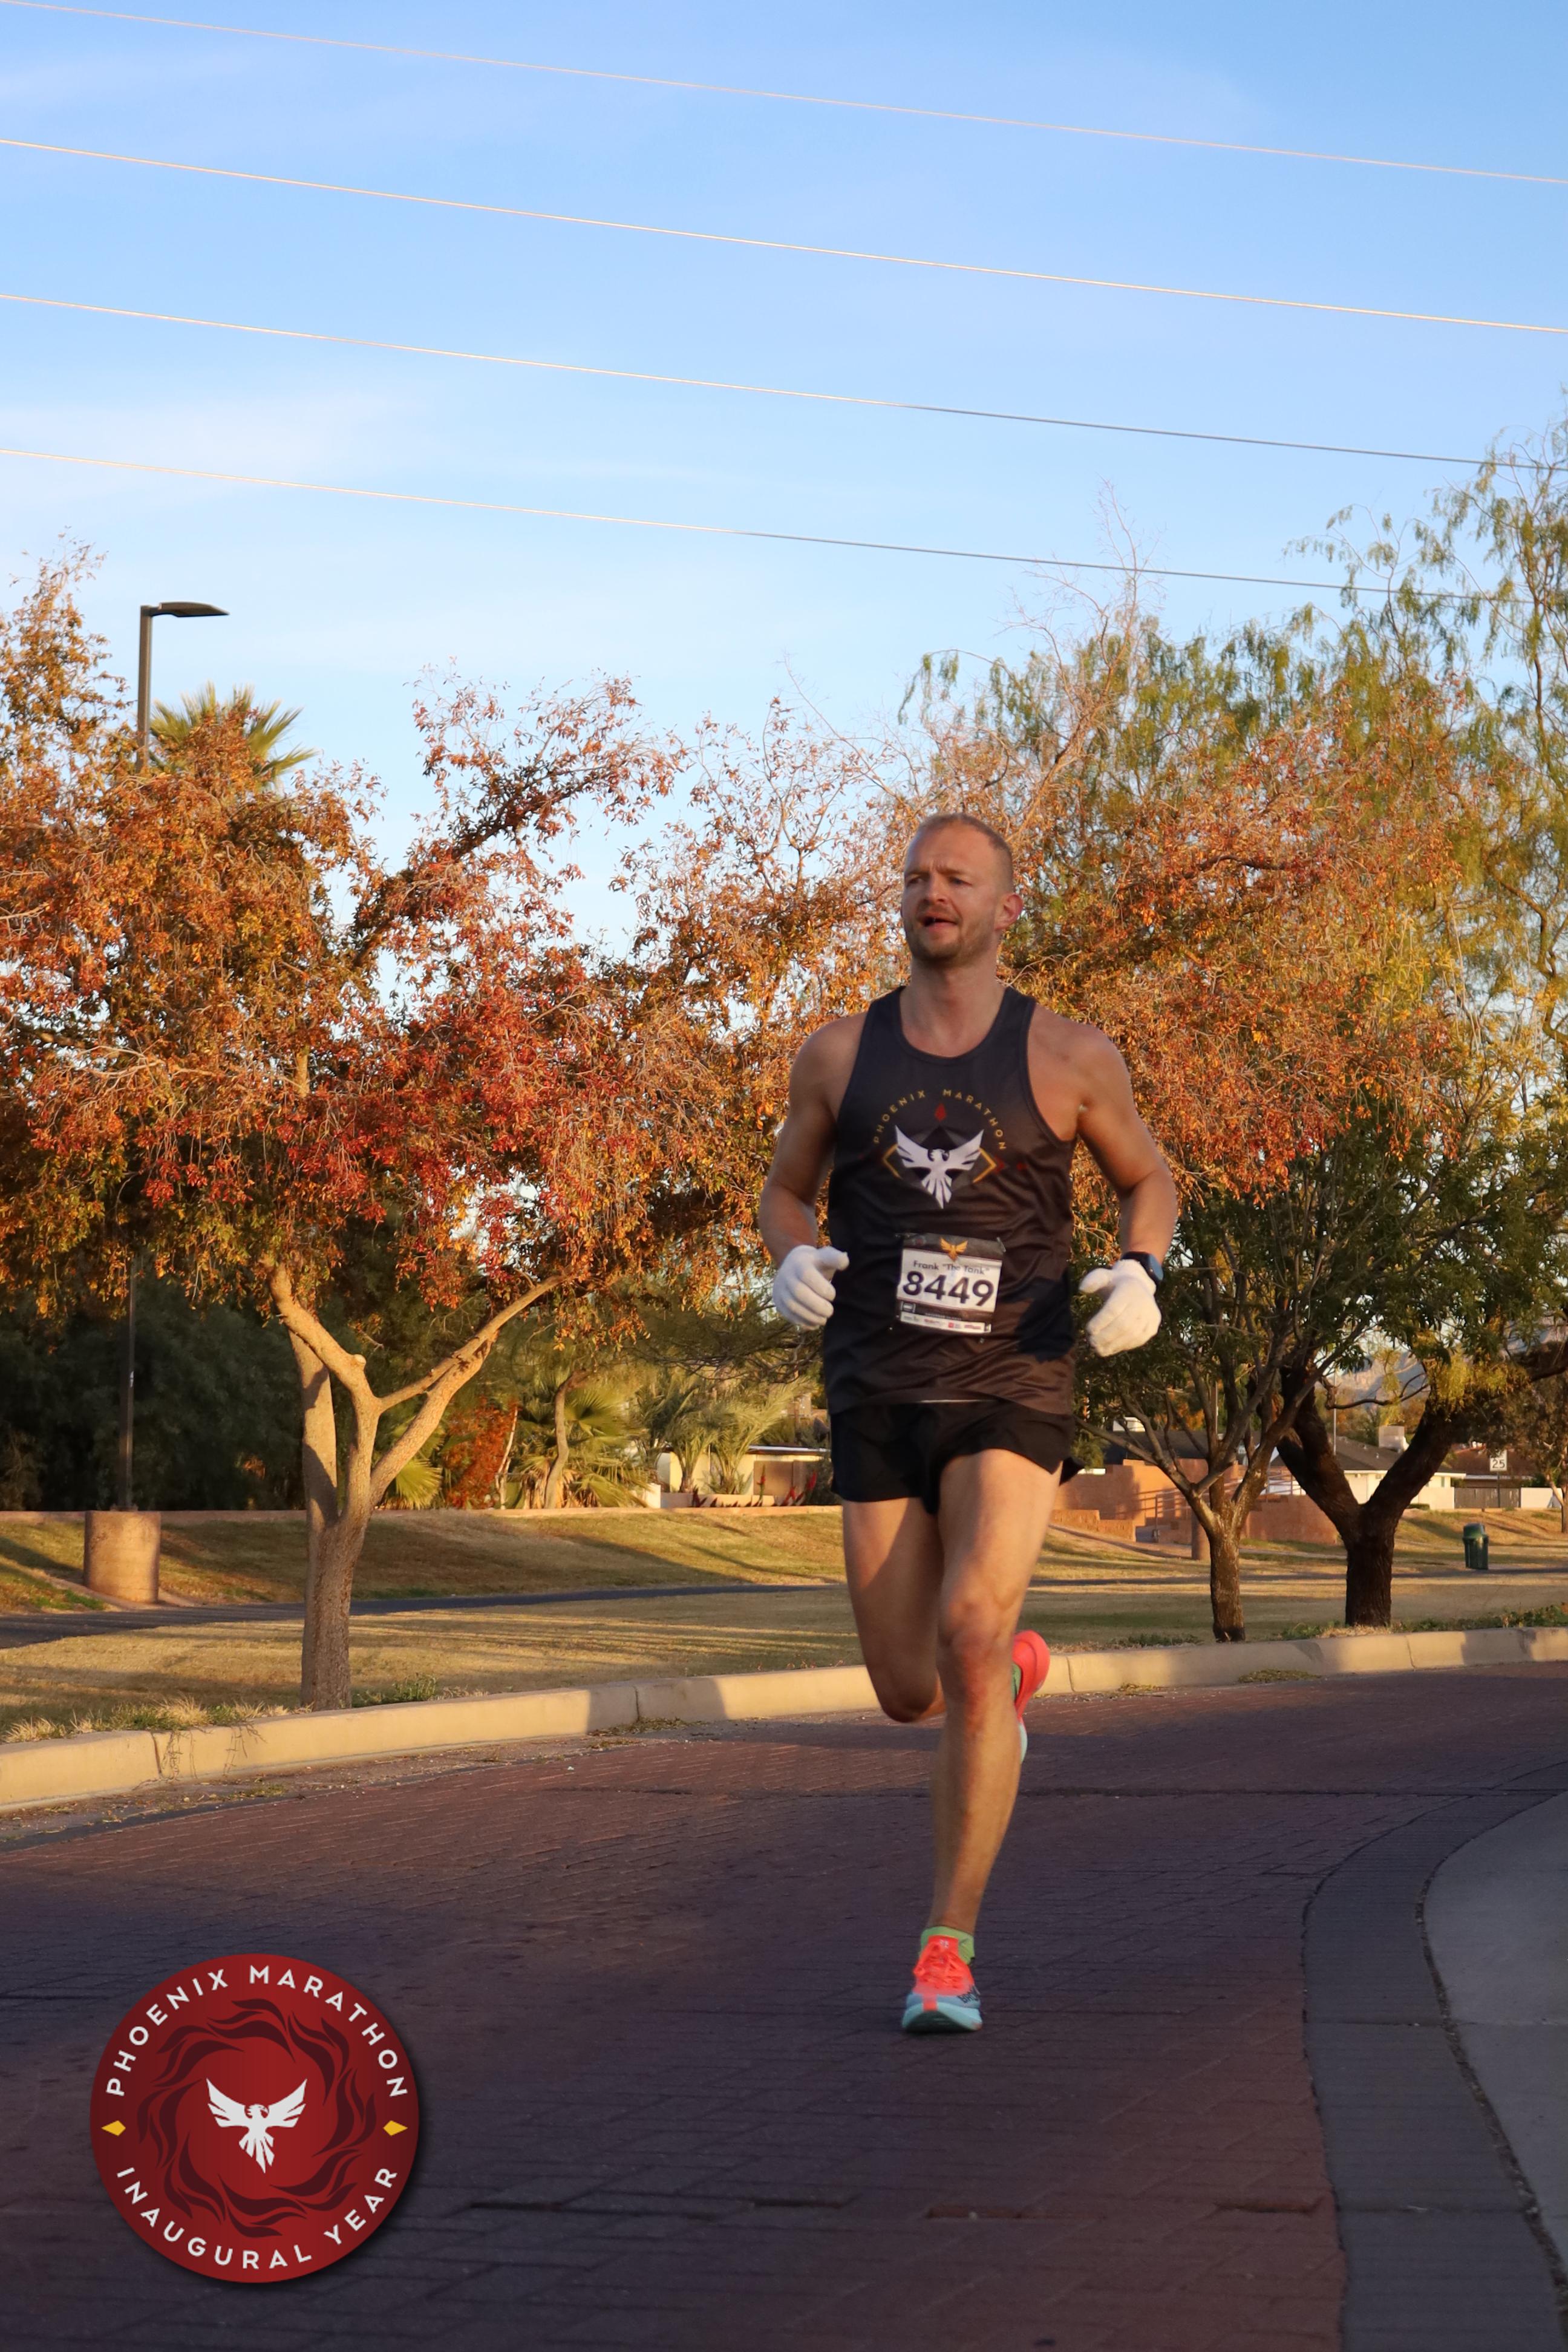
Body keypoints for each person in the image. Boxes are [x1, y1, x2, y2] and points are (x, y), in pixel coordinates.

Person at [759, 812, 1177, 2033]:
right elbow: (784, 1191)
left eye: (958, 877)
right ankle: (1011, 1681)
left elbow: (1148, 1176)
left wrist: (1143, 1270)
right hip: (877, 1386)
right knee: (909, 1688)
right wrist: (787, 1255)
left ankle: (946, 1952)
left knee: (972, 1628)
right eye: (916, 877)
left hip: (1014, 1378)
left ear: (1006, 903)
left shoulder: (1068, 1053)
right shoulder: (839, 1056)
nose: (932, 892)